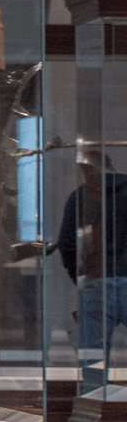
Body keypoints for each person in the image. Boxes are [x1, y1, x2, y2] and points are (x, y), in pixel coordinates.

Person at [56, 148, 127, 363]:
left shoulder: (79, 197)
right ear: (111, 166)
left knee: (93, 362)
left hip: (96, 280)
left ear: (87, 172)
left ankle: (93, 392)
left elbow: (66, 244)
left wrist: (79, 276)